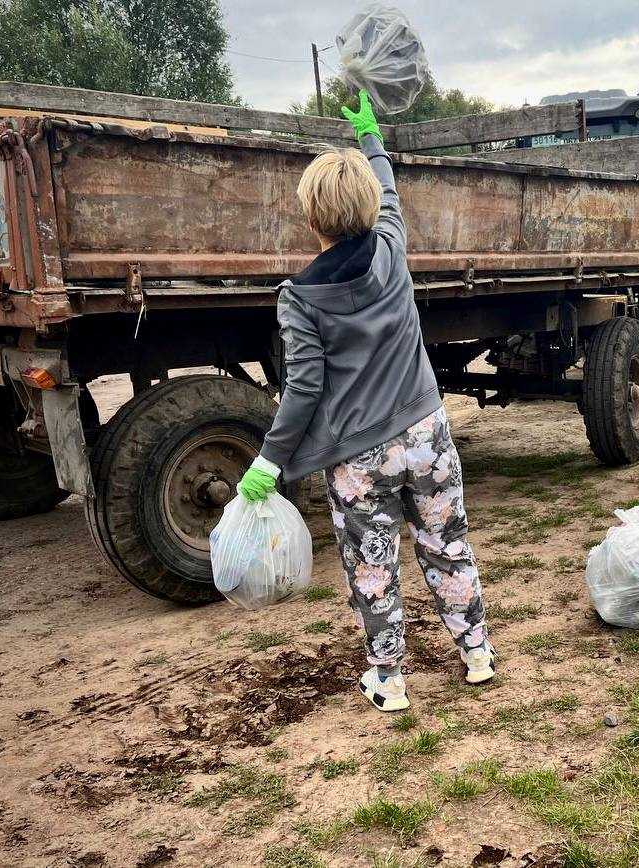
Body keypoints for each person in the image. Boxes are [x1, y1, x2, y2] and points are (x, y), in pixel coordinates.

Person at [236, 91, 494, 713]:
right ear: (370, 208)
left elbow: (302, 387)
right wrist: (372, 138)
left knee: (372, 565)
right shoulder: (391, 250)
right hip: (427, 433)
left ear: (310, 219)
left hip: (360, 458)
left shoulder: (298, 298)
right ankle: (477, 652)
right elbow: (391, 194)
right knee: (447, 542)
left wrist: (270, 460)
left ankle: (389, 678)